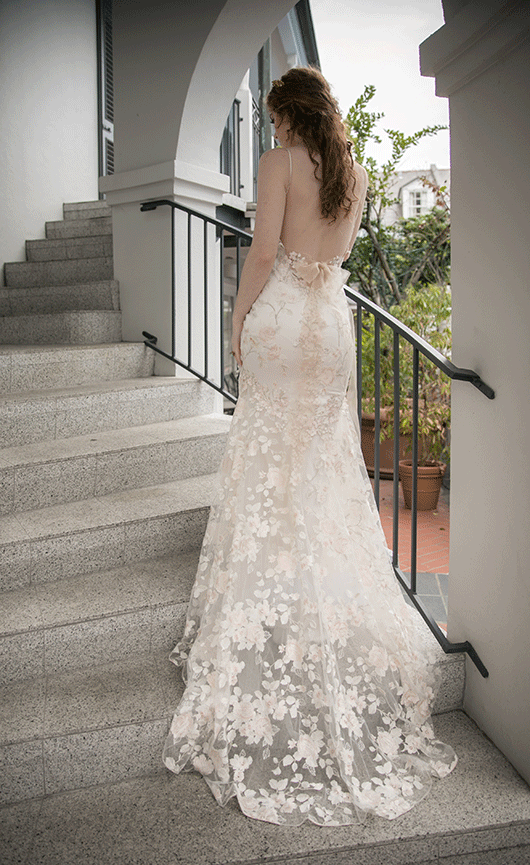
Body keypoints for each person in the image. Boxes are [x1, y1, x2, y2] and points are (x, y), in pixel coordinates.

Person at [163, 67, 457, 825]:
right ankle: (325, 602)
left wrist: (234, 323)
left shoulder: (278, 163)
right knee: (324, 468)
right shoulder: (352, 173)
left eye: (271, 119)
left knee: (269, 464)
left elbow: (262, 255)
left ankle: (268, 604)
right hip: (330, 330)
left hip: (285, 320)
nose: (269, 132)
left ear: (289, 114)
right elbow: (329, 256)